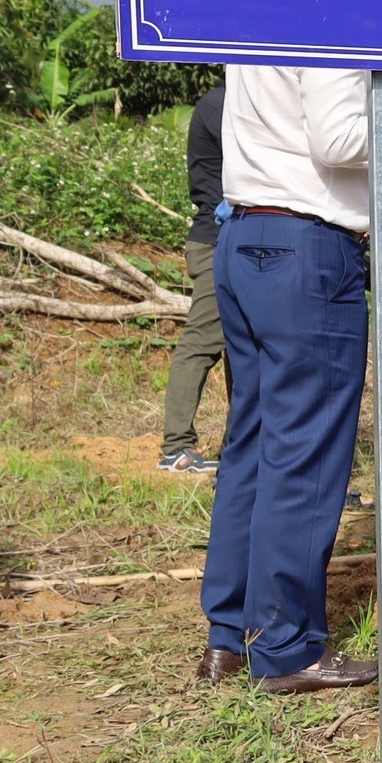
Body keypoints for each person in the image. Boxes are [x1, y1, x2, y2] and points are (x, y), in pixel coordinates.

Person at [197, 68, 382, 694]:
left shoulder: (258, 17)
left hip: (244, 235)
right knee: (307, 451)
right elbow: (337, 139)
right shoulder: (329, 17)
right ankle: (287, 646)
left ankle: (230, 638)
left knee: (253, 442)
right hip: (307, 246)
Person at [159, 82, 229, 473]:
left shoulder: (235, 100)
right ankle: (176, 447)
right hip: (217, 240)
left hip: (232, 240)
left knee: (246, 349)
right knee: (203, 341)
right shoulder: (221, 104)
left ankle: (241, 446)